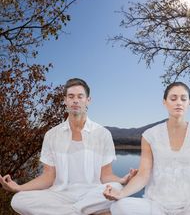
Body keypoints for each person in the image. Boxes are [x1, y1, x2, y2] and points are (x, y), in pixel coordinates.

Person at [104, 82, 190, 215]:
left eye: (183, 99)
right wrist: (121, 193)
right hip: (156, 206)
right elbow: (142, 176)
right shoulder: (149, 136)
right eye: (173, 98)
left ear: (189, 103)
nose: (179, 102)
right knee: (119, 206)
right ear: (164, 102)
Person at [0, 78, 136, 215]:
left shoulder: (103, 134)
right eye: (71, 96)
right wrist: (19, 187)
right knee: (19, 199)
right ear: (65, 100)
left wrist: (122, 180)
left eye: (80, 96)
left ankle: (74, 211)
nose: (75, 100)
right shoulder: (51, 135)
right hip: (59, 195)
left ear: (88, 100)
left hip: (92, 194)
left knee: (116, 187)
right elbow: (48, 177)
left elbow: (106, 176)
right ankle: (84, 211)